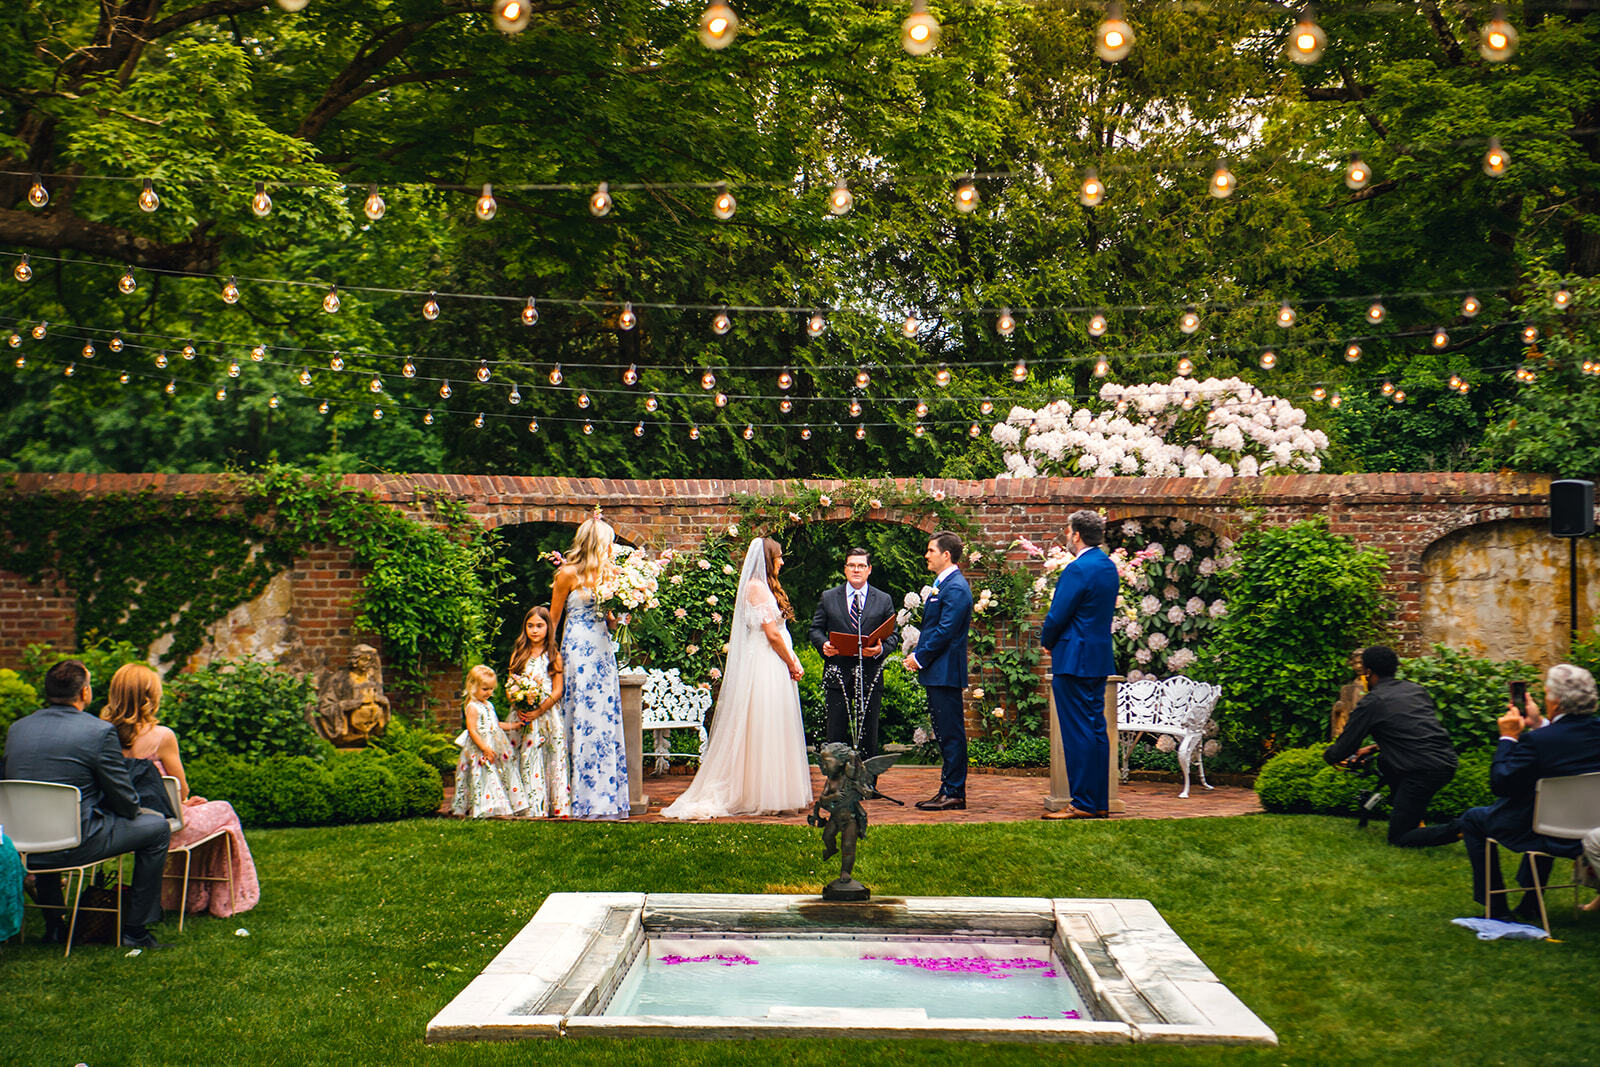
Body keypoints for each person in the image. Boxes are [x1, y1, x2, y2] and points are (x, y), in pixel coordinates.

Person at [2, 659, 170, 948]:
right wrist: (131, 810)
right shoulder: (97, 732)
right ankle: (135, 930)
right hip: (76, 842)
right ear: (85, 693)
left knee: (48, 825)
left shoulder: (18, 729)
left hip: (23, 844)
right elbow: (125, 799)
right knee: (157, 828)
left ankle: (55, 927)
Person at [663, 537, 812, 819]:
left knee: (776, 725)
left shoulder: (766, 586)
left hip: (775, 660)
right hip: (767, 663)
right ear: (768, 559)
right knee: (764, 726)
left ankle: (775, 791)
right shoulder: (756, 588)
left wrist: (793, 659)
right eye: (779, 557)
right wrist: (791, 661)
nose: (782, 561)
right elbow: (771, 634)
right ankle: (761, 792)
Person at [101, 663, 260, 918]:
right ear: (150, 697)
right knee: (224, 811)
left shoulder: (100, 735)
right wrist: (184, 801)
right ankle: (216, 897)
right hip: (167, 826)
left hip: (119, 823)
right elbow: (180, 787)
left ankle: (194, 895)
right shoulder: (162, 736)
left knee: (208, 811)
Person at [1458, 663, 1600, 923]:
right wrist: (1540, 724)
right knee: (1541, 806)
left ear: (1555, 702)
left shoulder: (1539, 742)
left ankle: (1496, 905)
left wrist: (1508, 739)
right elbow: (1566, 745)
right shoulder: (1557, 736)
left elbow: (1502, 783)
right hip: (1593, 830)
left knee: (1474, 819)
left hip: (1546, 832)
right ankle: (1531, 902)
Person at [1322, 646, 1461, 848]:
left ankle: (1465, 826)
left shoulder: (1373, 701)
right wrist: (1375, 747)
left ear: (1368, 672)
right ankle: (1412, 816)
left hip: (1420, 771)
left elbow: (1346, 745)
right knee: (1385, 761)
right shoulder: (1416, 690)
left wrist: (1330, 756)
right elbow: (1413, 730)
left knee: (1400, 837)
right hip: (1445, 762)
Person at [1039, 510, 1120, 821]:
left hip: (1073, 659)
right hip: (1098, 657)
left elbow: (1058, 614)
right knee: (1097, 729)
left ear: (1076, 535)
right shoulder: (1108, 567)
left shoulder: (1077, 569)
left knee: (1077, 733)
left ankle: (1083, 802)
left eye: (1068, 531)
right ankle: (1098, 801)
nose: (1067, 535)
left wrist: (1047, 639)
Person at [550, 515, 629, 820]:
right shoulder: (567, 575)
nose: (613, 546)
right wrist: (552, 656)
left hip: (603, 651)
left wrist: (625, 612)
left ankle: (606, 797)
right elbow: (553, 620)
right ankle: (578, 798)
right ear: (596, 543)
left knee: (604, 720)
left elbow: (611, 621)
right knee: (581, 716)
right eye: (609, 541)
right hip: (577, 652)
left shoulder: (612, 576)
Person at [903, 531, 974, 812]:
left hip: (945, 672)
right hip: (939, 672)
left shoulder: (955, 587)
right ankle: (947, 789)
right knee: (945, 733)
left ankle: (954, 792)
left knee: (951, 733)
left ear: (946, 555)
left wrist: (919, 657)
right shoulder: (943, 584)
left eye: (931, 550)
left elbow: (945, 631)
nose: (926, 555)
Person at [809, 547, 900, 757]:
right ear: (845, 569)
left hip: (870, 675)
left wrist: (880, 650)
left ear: (869, 570)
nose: (856, 570)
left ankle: (868, 786)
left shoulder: (884, 599)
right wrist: (823, 645)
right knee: (835, 736)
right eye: (852, 565)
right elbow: (815, 629)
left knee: (869, 736)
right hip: (837, 674)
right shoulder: (829, 597)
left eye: (861, 566)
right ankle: (837, 786)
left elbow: (893, 635)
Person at [506, 606, 570, 818]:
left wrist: (539, 710)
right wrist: (517, 701)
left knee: (550, 757)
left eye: (539, 626)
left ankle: (553, 805)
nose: (534, 630)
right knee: (525, 755)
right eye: (530, 626)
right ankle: (528, 805)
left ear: (548, 628)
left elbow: (558, 689)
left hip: (547, 716)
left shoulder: (553, 655)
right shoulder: (519, 654)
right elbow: (510, 683)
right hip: (522, 715)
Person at [450, 665, 531, 819]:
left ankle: (497, 804)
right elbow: (472, 730)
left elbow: (495, 724)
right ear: (472, 686)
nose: (489, 693)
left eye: (491, 689)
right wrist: (484, 748)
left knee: (499, 773)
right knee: (484, 774)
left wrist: (514, 726)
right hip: (480, 746)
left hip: (495, 746)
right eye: (485, 689)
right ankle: (484, 807)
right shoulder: (472, 707)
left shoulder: (489, 705)